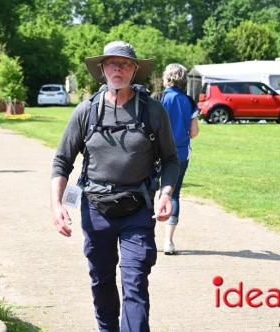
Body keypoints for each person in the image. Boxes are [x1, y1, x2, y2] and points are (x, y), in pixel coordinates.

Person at [51, 41, 179, 332]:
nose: (117, 68)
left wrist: (166, 192)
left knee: (134, 281)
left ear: (134, 70)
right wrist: (57, 204)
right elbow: (62, 161)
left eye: (124, 64)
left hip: (138, 210)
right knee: (102, 279)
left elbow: (171, 160)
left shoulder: (153, 112)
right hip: (96, 211)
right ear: (102, 69)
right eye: (111, 63)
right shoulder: (85, 112)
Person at [160, 64, 200, 255]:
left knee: (149, 190)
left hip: (155, 154)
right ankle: (168, 241)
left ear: (166, 78)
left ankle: (143, 237)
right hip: (180, 155)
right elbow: (194, 132)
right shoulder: (190, 102)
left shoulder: (158, 99)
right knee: (173, 195)